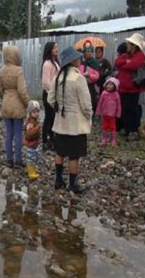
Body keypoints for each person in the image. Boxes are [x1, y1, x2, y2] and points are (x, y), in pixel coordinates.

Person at [48, 46, 92, 194]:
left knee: (60, 152)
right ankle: (72, 184)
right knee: (74, 155)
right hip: (76, 125)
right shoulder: (79, 78)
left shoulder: (57, 77)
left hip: (60, 123)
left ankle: (58, 180)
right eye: (78, 58)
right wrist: (88, 116)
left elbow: (50, 99)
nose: (80, 59)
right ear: (73, 61)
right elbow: (86, 104)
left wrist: (60, 108)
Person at [0, 45, 29, 168]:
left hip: (6, 104)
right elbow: (22, 91)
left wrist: (6, 93)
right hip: (17, 105)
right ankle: (18, 161)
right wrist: (28, 103)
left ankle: (9, 160)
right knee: (18, 134)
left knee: (9, 133)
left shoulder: (1, 71)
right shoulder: (18, 70)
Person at [115, 33, 145, 141]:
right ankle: (127, 129)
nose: (127, 45)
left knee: (133, 110)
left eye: (129, 43)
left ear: (134, 45)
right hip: (124, 88)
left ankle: (134, 131)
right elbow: (117, 62)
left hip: (134, 89)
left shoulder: (140, 55)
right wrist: (126, 61)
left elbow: (133, 65)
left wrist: (125, 64)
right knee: (125, 109)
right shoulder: (127, 55)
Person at [41, 42, 60, 150]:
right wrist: (52, 94)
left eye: (57, 47)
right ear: (49, 50)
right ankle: (45, 140)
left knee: (53, 118)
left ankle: (52, 140)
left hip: (54, 94)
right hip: (49, 94)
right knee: (48, 118)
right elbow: (46, 83)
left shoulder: (55, 62)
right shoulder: (47, 64)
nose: (56, 49)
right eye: (54, 48)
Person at [96, 77, 121, 146]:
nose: (109, 86)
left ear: (115, 86)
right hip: (104, 114)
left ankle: (113, 140)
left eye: (111, 84)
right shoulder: (104, 93)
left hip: (112, 115)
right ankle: (104, 139)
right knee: (104, 127)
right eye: (108, 84)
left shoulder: (116, 94)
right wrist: (98, 111)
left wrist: (118, 113)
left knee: (112, 128)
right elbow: (100, 103)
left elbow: (118, 105)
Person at [79, 41, 99, 112]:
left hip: (90, 86)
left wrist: (89, 75)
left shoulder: (94, 62)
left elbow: (96, 76)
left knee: (90, 102)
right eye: (87, 51)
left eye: (90, 51)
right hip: (81, 85)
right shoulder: (81, 61)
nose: (89, 53)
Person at [24, 100, 41, 179]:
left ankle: (30, 169)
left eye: (38, 111)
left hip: (34, 143)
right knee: (31, 158)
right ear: (30, 113)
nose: (37, 113)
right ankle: (31, 172)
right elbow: (29, 134)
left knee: (33, 157)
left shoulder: (34, 121)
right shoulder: (30, 122)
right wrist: (37, 128)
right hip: (31, 144)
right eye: (34, 112)